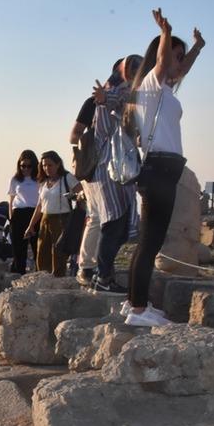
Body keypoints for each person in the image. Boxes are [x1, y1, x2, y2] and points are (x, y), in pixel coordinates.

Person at [123, 8, 205, 326]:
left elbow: (179, 69)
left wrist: (197, 47)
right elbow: (162, 63)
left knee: (148, 241)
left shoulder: (166, 89)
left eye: (181, 57)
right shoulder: (152, 83)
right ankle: (140, 310)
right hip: (159, 168)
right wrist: (166, 34)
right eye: (176, 54)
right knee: (150, 242)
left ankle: (135, 304)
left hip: (165, 169)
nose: (179, 62)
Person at [85, 54, 144, 294]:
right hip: (110, 168)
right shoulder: (116, 92)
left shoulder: (123, 94)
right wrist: (103, 98)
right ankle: (103, 277)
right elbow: (112, 102)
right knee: (113, 225)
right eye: (133, 68)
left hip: (117, 168)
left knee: (118, 226)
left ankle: (103, 274)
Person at [75, 59, 128, 287]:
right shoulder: (94, 102)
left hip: (105, 166)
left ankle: (93, 267)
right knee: (100, 218)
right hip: (97, 166)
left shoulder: (121, 100)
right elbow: (74, 136)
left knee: (102, 218)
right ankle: (90, 268)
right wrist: (97, 140)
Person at [25, 151, 83, 276]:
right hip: (45, 219)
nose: (47, 168)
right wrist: (31, 226)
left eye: (50, 165)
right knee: (42, 251)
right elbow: (40, 205)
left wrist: (75, 198)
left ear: (58, 164)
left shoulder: (67, 178)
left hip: (62, 218)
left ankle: (58, 278)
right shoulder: (43, 182)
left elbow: (82, 194)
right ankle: (43, 278)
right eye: (44, 165)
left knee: (59, 252)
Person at [7, 150, 40, 274]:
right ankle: (18, 273)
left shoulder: (39, 179)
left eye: (29, 166)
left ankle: (38, 273)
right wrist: (11, 219)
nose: (25, 169)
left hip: (35, 212)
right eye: (23, 166)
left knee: (37, 246)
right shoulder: (15, 179)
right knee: (18, 248)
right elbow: (11, 199)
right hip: (19, 213)